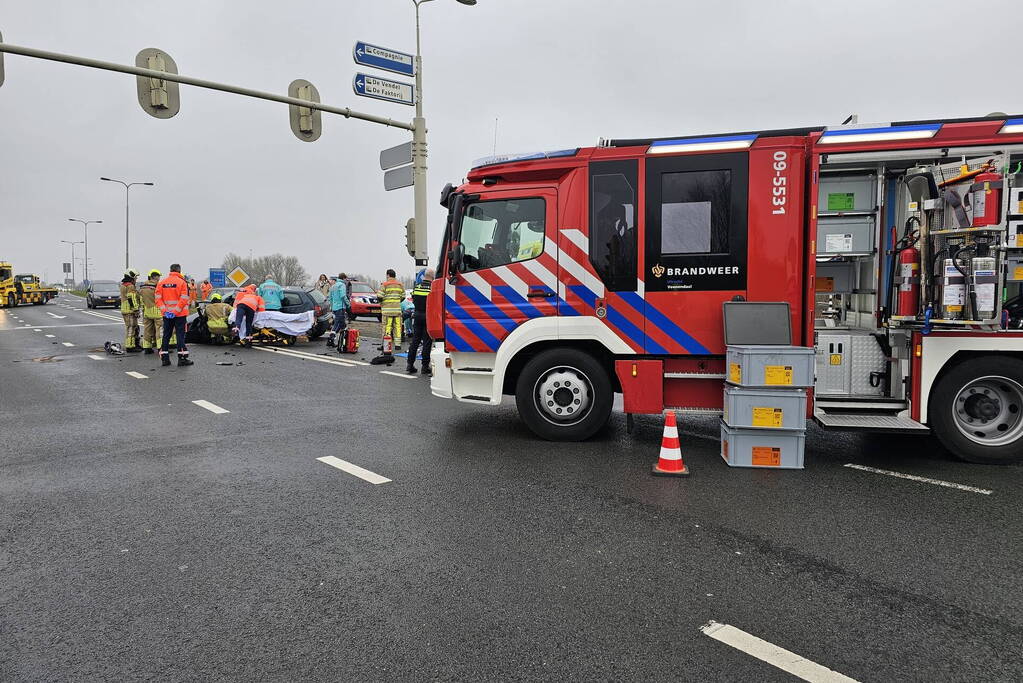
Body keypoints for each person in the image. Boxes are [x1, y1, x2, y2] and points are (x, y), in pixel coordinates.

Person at [155, 264, 193, 367]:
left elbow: (158, 299)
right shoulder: (182, 282)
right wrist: (175, 311)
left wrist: (165, 311)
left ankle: (165, 359)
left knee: (166, 335)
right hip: (180, 314)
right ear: (179, 271)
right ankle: (182, 359)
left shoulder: (162, 283)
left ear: (170, 270)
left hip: (167, 315)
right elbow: (184, 299)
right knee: (180, 335)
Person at [406, 268, 434, 375]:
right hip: (428, 317)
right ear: (432, 277)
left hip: (417, 316)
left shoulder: (416, 287)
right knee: (427, 342)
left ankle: (409, 364)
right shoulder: (432, 288)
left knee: (415, 341)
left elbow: (414, 299)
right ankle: (425, 366)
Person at [377, 269, 406, 351]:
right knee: (397, 327)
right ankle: (398, 345)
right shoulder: (400, 285)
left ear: (388, 275)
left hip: (387, 311)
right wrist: (397, 301)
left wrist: (382, 303)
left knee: (387, 327)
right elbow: (403, 296)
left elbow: (379, 296)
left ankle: (385, 345)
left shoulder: (385, 284)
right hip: (397, 310)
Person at [138, 269, 163, 354]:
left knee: (147, 330)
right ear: (155, 277)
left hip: (146, 311)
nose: (159, 279)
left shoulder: (142, 287)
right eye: (158, 277)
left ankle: (147, 347)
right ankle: (160, 347)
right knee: (159, 329)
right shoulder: (157, 287)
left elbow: (140, 299)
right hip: (157, 311)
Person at [119, 269, 142, 352]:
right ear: (131, 277)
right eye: (135, 277)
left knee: (134, 327)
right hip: (130, 310)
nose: (136, 279)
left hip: (125, 310)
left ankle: (134, 344)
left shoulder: (123, 285)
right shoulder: (130, 286)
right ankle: (130, 346)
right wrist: (136, 309)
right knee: (131, 328)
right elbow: (131, 299)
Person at [327, 273, 350, 347]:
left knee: (342, 324)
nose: (346, 280)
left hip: (335, 307)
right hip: (341, 307)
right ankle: (331, 339)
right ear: (343, 278)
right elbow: (343, 296)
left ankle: (343, 340)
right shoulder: (342, 285)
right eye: (346, 279)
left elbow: (330, 298)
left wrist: (332, 307)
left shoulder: (333, 286)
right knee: (337, 324)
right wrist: (348, 304)